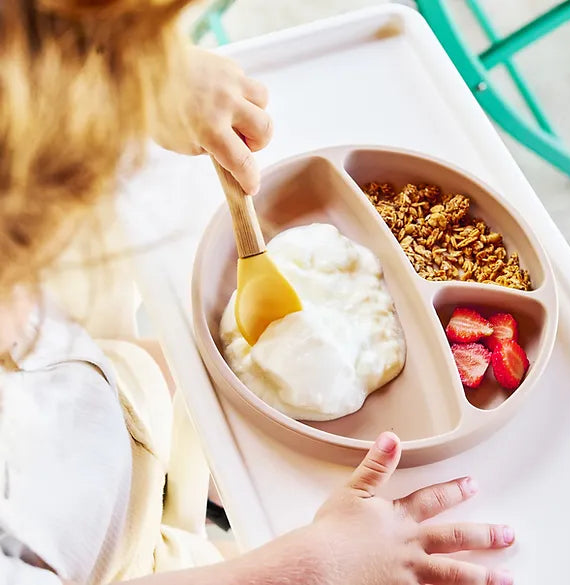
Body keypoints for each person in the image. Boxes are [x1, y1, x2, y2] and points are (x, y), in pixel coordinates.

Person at [0, 1, 515, 584]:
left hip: (96, 387)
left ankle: (193, 479)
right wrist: (314, 566)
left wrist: (126, 77)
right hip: (126, 562)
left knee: (167, 380)